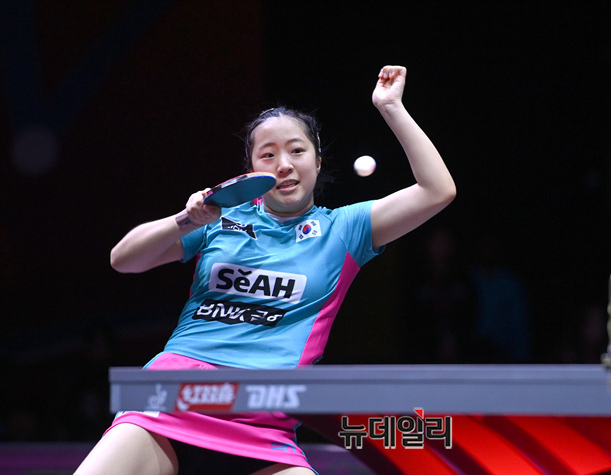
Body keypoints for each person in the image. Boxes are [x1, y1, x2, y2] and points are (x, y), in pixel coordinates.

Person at [75, 65, 455, 475]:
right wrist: (187, 219)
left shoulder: (344, 230)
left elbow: (437, 190)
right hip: (171, 399)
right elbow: (124, 259)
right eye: (268, 155)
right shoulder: (219, 218)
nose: (283, 164)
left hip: (264, 421)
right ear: (252, 169)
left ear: (317, 161)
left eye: (296, 151)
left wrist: (391, 107)